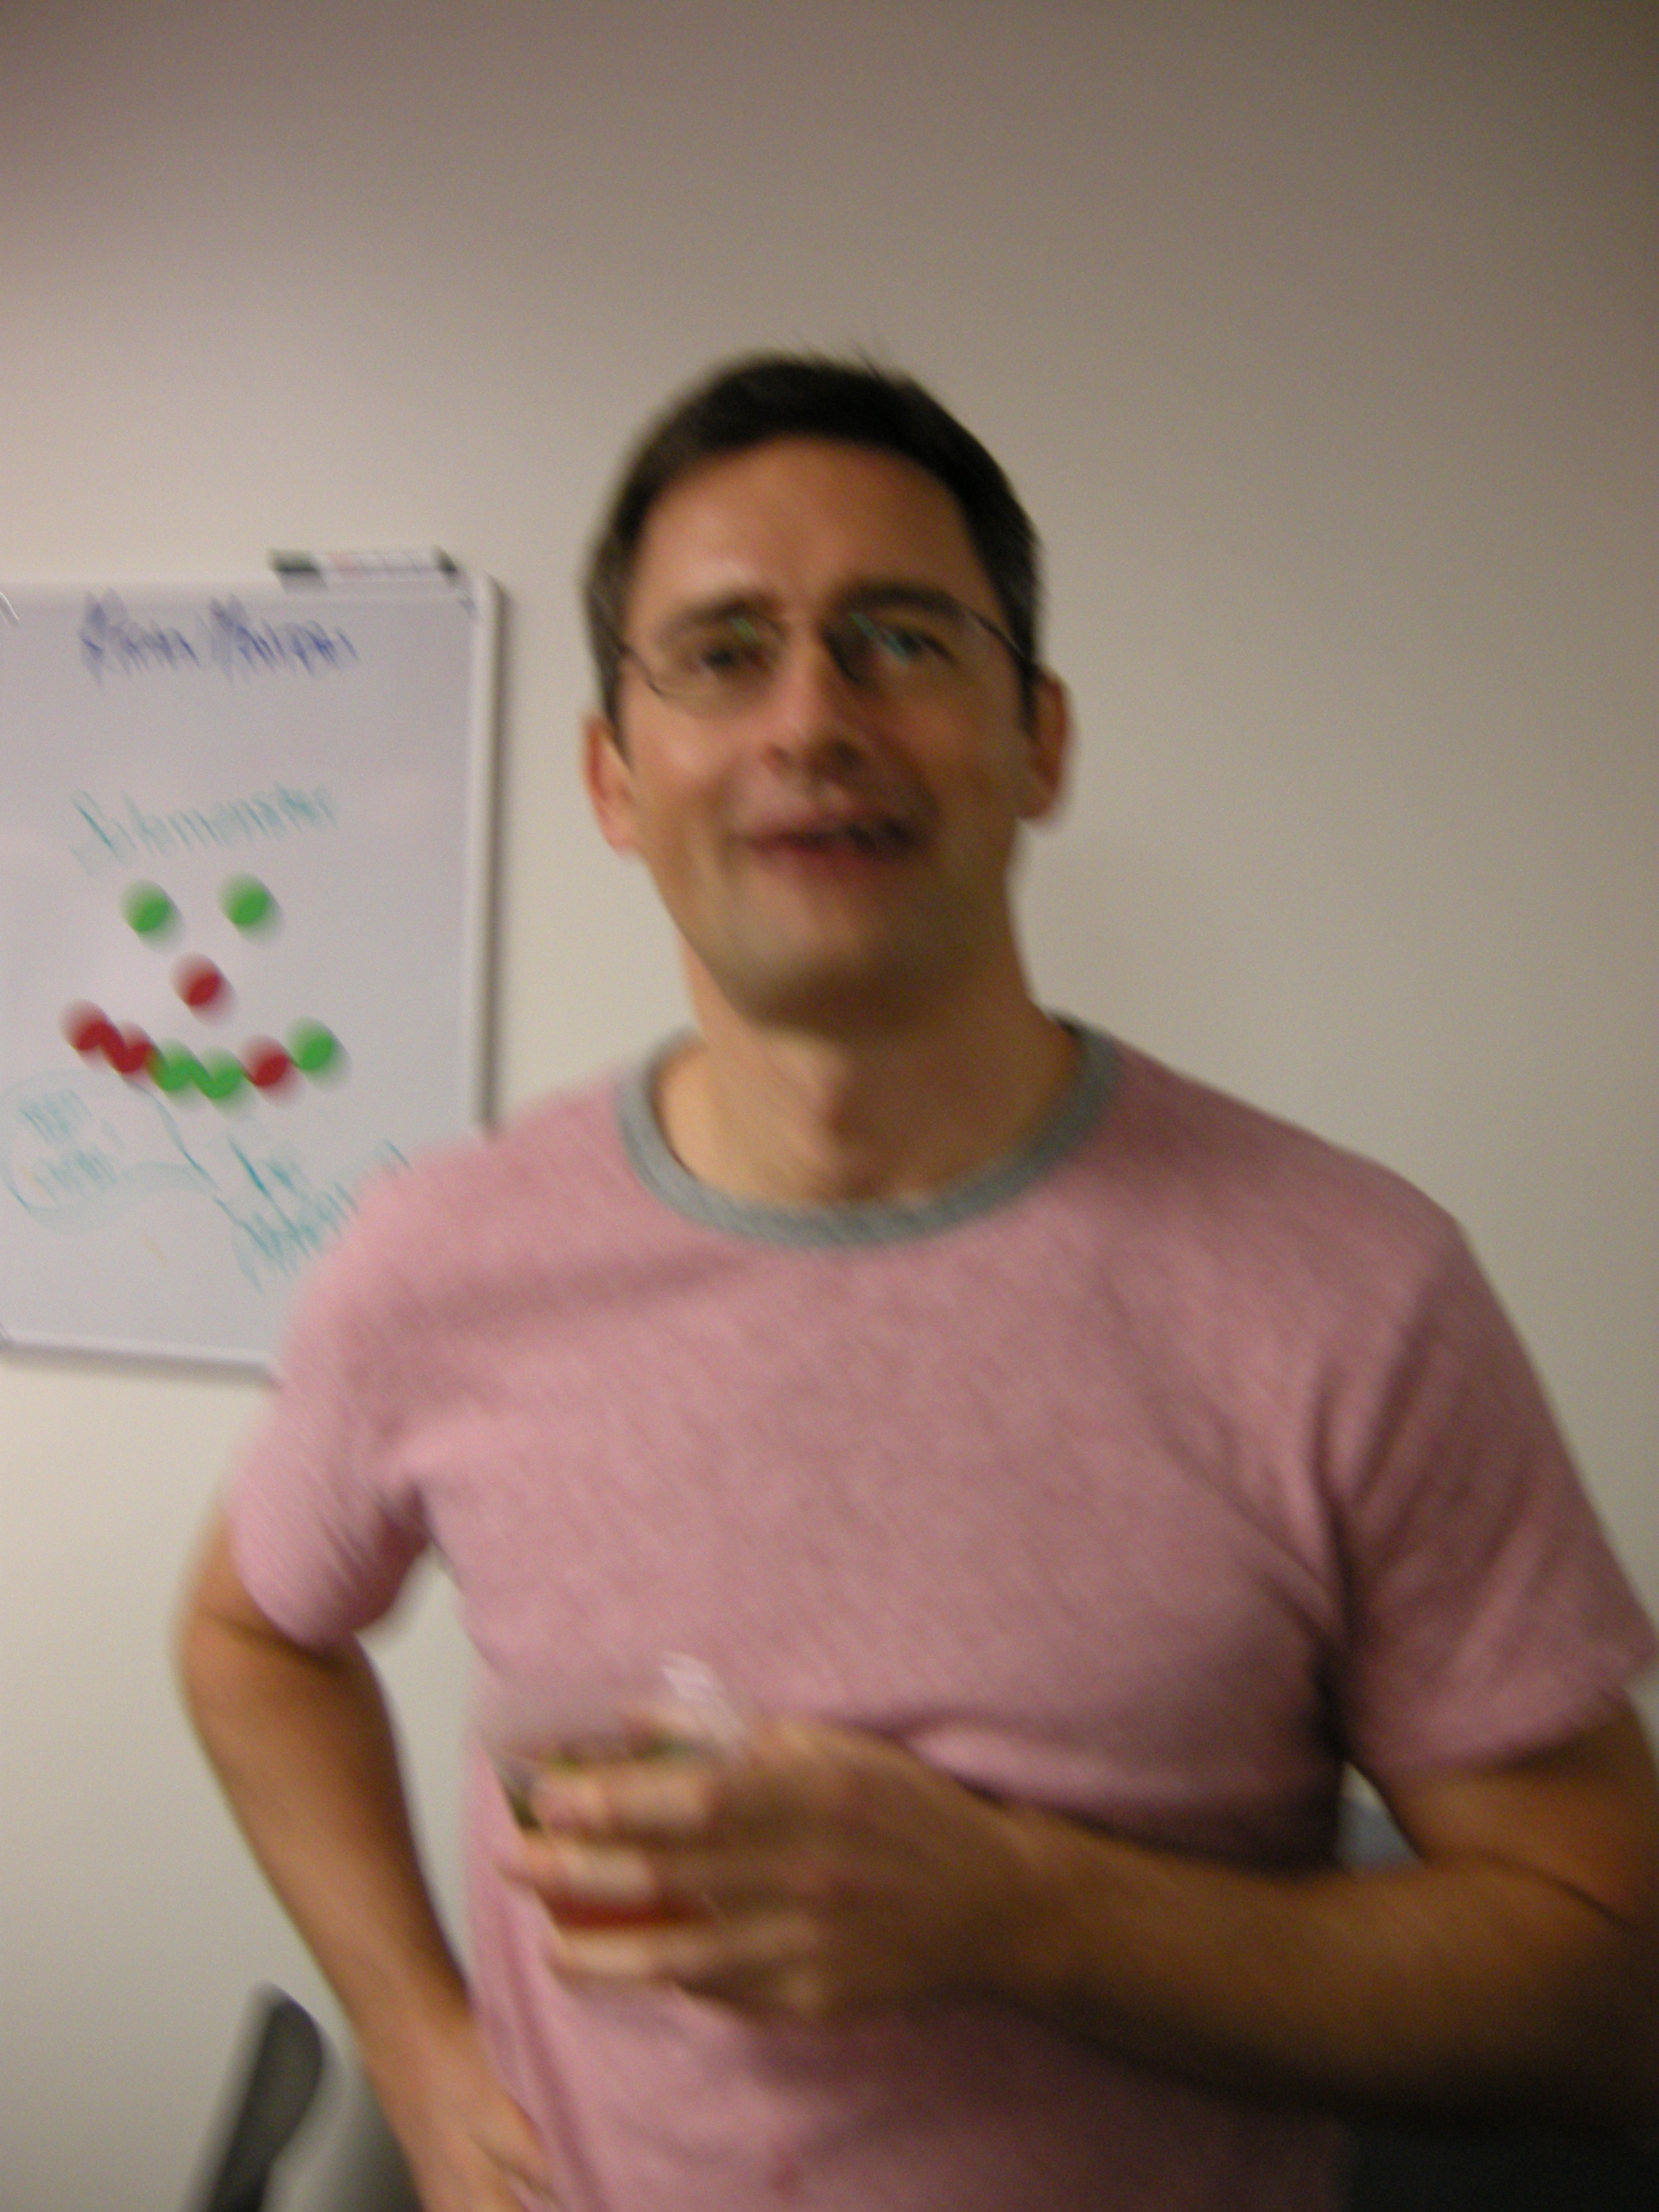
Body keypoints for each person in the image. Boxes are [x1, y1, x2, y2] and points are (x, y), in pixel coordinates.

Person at [177, 354, 1659, 2212]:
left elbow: (1611, 1991)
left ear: (1039, 742)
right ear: (614, 778)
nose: (813, 717)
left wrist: (1014, 1909)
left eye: (899, 640)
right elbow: (250, 1637)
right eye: (724, 653)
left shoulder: (1354, 1293)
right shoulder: (438, 1258)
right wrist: (412, 2036)